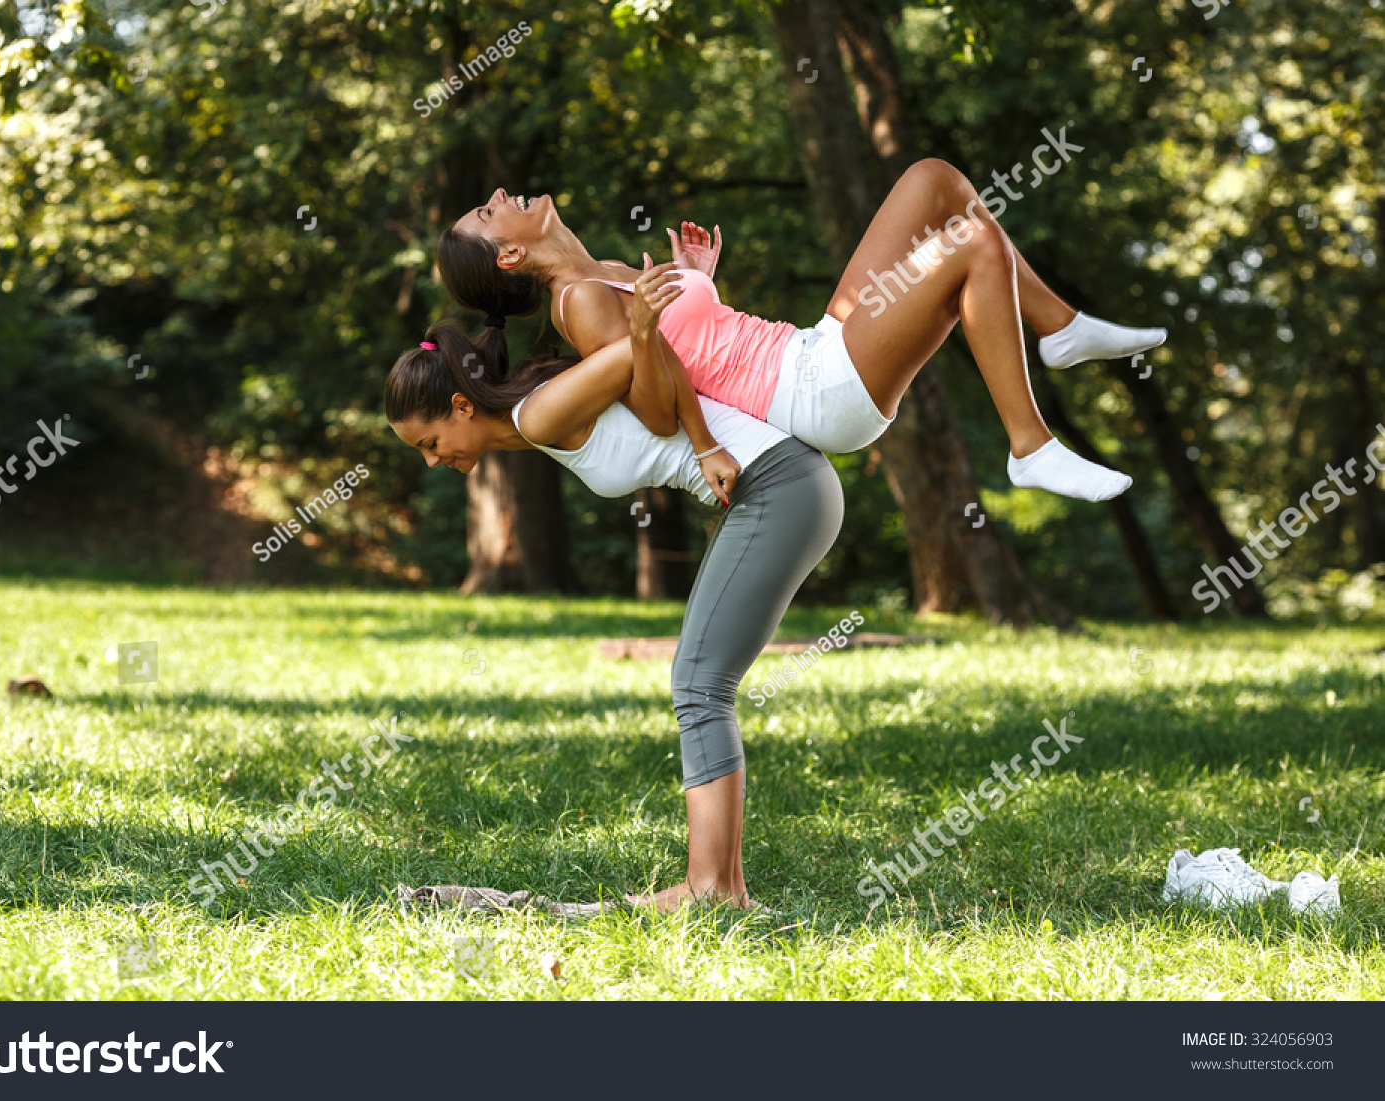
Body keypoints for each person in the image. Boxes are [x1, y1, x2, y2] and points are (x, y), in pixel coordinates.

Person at [385, 276, 841, 912]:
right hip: (781, 488)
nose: (432, 461)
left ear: (462, 406)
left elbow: (635, 350)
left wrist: (706, 442)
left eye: (430, 444)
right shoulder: (532, 417)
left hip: (778, 486)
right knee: (701, 681)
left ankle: (712, 889)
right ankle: (722, 889)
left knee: (698, 683)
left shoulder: (536, 413)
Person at [437, 159, 1169, 502]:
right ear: (508, 254)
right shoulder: (582, 305)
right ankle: (1030, 447)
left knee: (936, 183)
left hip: (811, 346)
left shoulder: (610, 269)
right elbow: (656, 406)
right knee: (970, 247)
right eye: (489, 211)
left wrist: (701, 279)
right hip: (815, 393)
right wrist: (659, 357)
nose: (499, 194)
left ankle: (1061, 329)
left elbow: (700, 345)